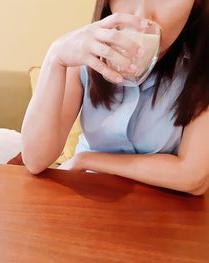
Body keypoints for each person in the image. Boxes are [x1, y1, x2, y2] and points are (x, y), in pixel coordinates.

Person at [21, 0, 209, 195]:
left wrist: (88, 159)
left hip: (164, 211)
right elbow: (35, 160)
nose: (142, 16)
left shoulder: (200, 70)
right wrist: (55, 57)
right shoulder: (86, 56)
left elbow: (193, 178)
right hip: (85, 196)